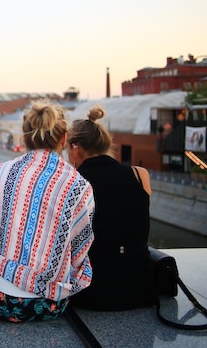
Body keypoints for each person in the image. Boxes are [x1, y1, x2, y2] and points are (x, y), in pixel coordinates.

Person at [0, 100, 95, 322]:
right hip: (50, 305)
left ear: (24, 138)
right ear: (64, 139)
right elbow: (79, 253)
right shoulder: (79, 185)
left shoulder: (1, 173)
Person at [67, 104, 155, 311]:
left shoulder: (73, 182)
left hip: (92, 294)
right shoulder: (139, 174)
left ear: (75, 147)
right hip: (141, 288)